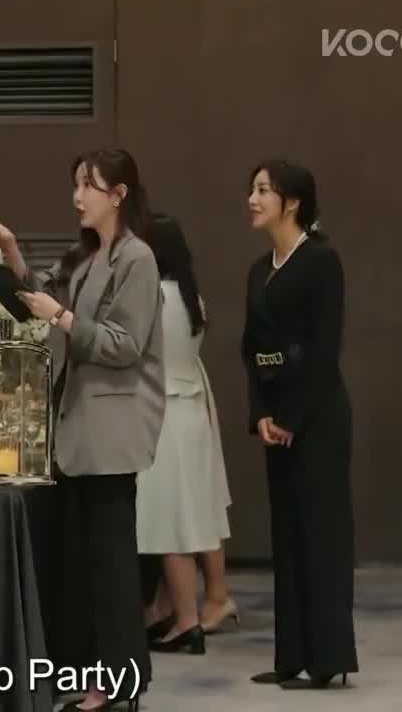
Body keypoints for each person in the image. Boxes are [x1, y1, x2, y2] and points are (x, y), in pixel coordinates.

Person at [0, 146, 162, 712]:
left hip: (109, 430)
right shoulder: (87, 256)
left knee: (111, 565)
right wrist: (11, 250)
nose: (77, 197)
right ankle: (89, 672)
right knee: (82, 564)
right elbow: (44, 298)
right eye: (76, 184)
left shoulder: (137, 259)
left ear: (118, 194)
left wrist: (61, 317)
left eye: (88, 185)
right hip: (74, 427)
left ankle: (118, 680)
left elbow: (124, 345)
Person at [241, 158, 357, 690]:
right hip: (278, 417)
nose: (252, 199)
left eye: (263, 190)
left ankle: (329, 658)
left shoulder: (321, 261)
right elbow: (252, 350)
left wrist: (291, 416)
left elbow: (323, 350)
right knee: (286, 535)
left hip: (318, 417)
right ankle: (291, 656)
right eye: (252, 189)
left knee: (321, 534)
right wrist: (262, 412)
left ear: (292, 202)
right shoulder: (259, 269)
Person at [134, 214, 236, 655]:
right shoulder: (193, 299)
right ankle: (170, 612)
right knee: (186, 520)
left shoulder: (151, 298)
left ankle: (186, 621)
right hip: (191, 414)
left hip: (163, 418)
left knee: (168, 526)